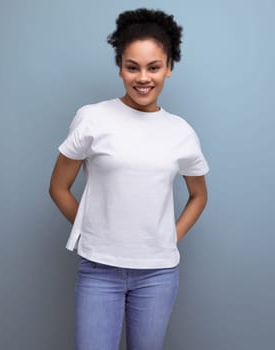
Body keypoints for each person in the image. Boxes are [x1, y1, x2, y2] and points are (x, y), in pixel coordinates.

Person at [49, 8, 209, 350]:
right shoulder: (92, 118)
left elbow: (199, 195)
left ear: (169, 67)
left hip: (158, 275)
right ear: (120, 66)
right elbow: (58, 187)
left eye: (154, 67)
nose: (143, 78)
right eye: (132, 66)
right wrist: (90, 229)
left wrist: (170, 236)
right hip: (99, 270)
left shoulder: (180, 132)